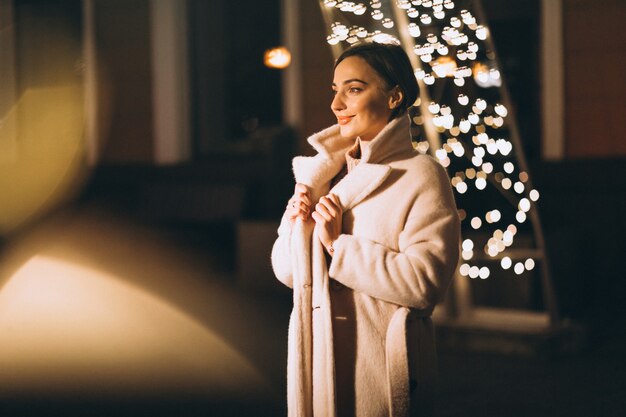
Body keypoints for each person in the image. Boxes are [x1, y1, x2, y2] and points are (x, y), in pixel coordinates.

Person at [271, 41, 460, 417]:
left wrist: (337, 246)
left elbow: (425, 284)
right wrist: (298, 225)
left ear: (395, 96)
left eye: (353, 89)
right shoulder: (322, 175)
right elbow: (287, 272)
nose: (336, 104)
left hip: (379, 369)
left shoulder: (421, 174)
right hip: (320, 358)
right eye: (335, 91)